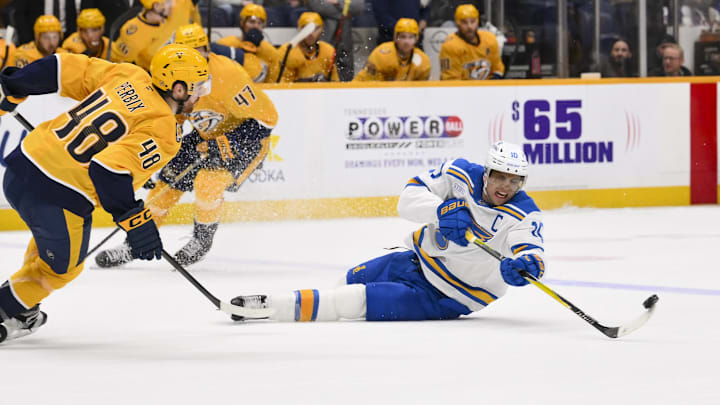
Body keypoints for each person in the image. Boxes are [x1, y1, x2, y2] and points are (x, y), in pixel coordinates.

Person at [0, 44, 210, 343]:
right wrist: (135, 220)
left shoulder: (129, 75)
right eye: (198, 86)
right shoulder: (164, 130)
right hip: (57, 195)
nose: (201, 93)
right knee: (62, 269)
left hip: (22, 166)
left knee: (50, 245)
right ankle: (5, 306)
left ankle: (22, 307)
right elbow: (107, 171)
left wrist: (14, 85)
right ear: (178, 89)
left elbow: (61, 68)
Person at [228, 141, 546, 323]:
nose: (506, 186)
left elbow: (531, 250)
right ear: (487, 172)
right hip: (416, 261)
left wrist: (526, 266)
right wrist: (440, 211)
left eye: (514, 180)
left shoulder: (522, 213)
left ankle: (270, 307)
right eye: (500, 177)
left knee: (350, 301)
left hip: (447, 296)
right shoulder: (459, 173)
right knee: (346, 282)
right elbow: (407, 198)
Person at [95, 23, 278, 268]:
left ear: (206, 49)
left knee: (207, 182)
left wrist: (227, 142)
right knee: (166, 183)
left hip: (248, 141)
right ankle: (135, 243)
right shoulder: (178, 76)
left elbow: (267, 120)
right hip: (207, 136)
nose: (189, 59)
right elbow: (174, 120)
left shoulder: (229, 74)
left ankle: (202, 239)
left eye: (195, 51)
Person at [110, 0, 201, 71]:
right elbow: (119, 65)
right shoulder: (134, 35)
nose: (172, 5)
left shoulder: (167, 19)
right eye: (167, 2)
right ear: (156, 5)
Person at [215, 4, 281, 82]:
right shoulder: (224, 44)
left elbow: (273, 83)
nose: (256, 26)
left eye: (259, 23)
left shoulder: (270, 52)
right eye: (252, 22)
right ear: (242, 23)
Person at [439, 4, 504, 80]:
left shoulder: (490, 39)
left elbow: (498, 70)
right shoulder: (450, 46)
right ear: (457, 23)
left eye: (473, 21)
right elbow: (451, 82)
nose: (469, 26)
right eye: (464, 22)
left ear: (477, 21)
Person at [353, 18, 430, 82]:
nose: (406, 42)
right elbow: (370, 84)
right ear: (395, 38)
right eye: (403, 37)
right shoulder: (381, 54)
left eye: (411, 37)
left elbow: (420, 90)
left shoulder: (423, 62)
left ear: (416, 39)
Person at [306, 0, 365, 81]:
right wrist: (345, 12)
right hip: (321, 40)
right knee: (319, 78)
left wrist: (337, 2)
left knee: (346, 80)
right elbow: (317, 6)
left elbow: (359, 6)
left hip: (345, 43)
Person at [276, 12, 338, 82]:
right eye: (306, 28)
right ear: (299, 29)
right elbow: (281, 86)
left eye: (315, 29)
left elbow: (335, 83)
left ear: (321, 30)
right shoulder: (286, 51)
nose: (310, 33)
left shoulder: (329, 51)